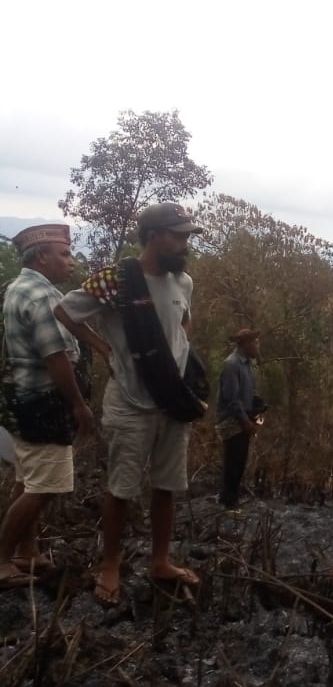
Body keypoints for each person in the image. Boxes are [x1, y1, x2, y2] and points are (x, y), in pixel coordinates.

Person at [55, 201, 205, 605]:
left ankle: (160, 561)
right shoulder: (115, 280)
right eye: (178, 235)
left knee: (166, 486)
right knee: (122, 488)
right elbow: (65, 311)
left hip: (171, 400)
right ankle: (110, 565)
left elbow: (183, 323)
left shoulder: (183, 281)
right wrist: (103, 347)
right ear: (154, 235)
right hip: (130, 402)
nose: (185, 242)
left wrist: (179, 350)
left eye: (187, 235)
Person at [0, 224, 94, 587]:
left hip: (22, 402)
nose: (71, 261)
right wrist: (78, 405)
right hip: (43, 405)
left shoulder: (18, 287)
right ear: (41, 257)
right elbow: (56, 357)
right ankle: (4, 559)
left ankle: (27, 552)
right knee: (47, 486)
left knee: (30, 479)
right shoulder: (40, 296)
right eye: (64, 254)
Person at [216, 327, 264, 511]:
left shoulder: (248, 365)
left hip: (244, 419)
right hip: (232, 421)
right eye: (256, 343)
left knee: (240, 461)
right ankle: (229, 503)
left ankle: (230, 499)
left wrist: (258, 410)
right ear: (246, 344)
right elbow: (231, 399)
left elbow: (249, 394)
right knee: (233, 462)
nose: (258, 346)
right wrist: (246, 422)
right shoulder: (231, 364)